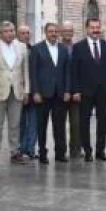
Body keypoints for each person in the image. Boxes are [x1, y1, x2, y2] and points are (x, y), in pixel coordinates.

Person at [0, 21, 30, 167]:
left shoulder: (22, 48)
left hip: (17, 91)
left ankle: (15, 152)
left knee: (15, 124)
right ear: (0, 33)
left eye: (12, 30)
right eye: (6, 31)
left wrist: (27, 90)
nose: (10, 33)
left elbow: (25, 71)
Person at [70, 17, 106, 161]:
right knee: (84, 122)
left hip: (103, 91)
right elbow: (74, 71)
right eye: (92, 27)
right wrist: (76, 90)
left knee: (103, 122)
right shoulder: (78, 47)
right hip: (85, 91)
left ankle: (100, 151)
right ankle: (87, 151)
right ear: (86, 29)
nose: (95, 30)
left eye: (97, 27)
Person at [28, 22, 70, 164]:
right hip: (43, 94)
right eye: (50, 31)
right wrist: (35, 92)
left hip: (59, 94)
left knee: (60, 125)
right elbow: (32, 73)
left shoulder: (63, 49)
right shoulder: (36, 49)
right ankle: (42, 153)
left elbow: (67, 72)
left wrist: (67, 90)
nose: (53, 34)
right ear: (45, 33)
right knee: (42, 125)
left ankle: (60, 153)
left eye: (55, 31)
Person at [59, 21, 81, 159]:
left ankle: (75, 150)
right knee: (60, 123)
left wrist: (77, 90)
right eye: (65, 30)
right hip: (60, 92)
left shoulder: (78, 48)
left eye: (70, 30)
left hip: (76, 92)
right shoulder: (57, 47)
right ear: (61, 32)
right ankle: (61, 151)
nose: (68, 32)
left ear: (73, 32)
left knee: (76, 123)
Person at [16, 24, 38, 160]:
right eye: (23, 33)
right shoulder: (15, 49)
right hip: (20, 91)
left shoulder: (34, 49)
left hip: (33, 91)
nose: (25, 35)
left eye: (27, 33)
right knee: (21, 122)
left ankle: (31, 148)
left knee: (34, 122)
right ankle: (21, 148)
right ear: (18, 35)